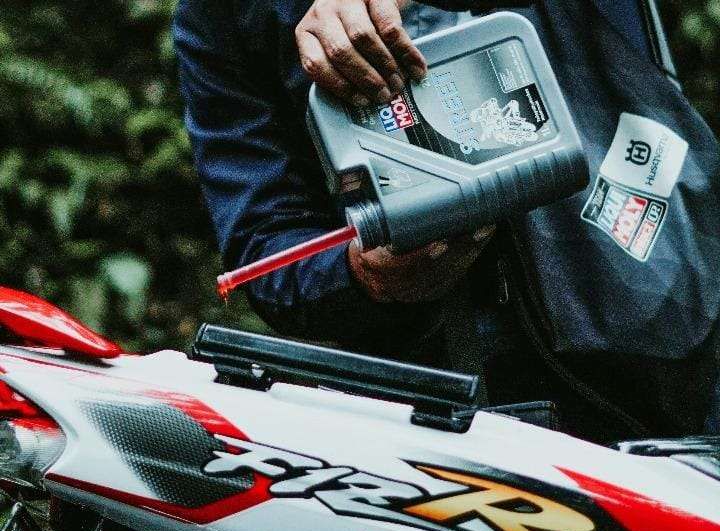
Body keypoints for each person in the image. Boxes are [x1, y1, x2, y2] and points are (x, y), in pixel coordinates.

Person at [174, 1, 720, 442]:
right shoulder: (220, 13)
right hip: (450, 412)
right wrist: (368, 278)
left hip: (669, 317)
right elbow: (268, 247)